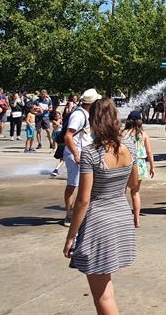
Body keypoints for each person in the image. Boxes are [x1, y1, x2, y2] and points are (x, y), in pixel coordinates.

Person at [63, 98, 137, 315]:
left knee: (101, 296)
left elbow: (83, 200)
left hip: (99, 223)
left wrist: (71, 236)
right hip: (121, 217)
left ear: (93, 120)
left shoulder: (91, 153)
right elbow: (134, 184)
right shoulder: (129, 146)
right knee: (106, 287)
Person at [62, 89, 102, 227]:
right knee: (73, 184)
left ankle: (82, 212)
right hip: (76, 154)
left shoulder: (87, 113)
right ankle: (69, 214)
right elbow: (68, 136)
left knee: (86, 185)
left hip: (85, 154)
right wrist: (76, 155)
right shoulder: (78, 115)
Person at [123, 111, 154, 227]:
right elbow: (149, 152)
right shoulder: (144, 134)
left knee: (122, 193)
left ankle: (123, 218)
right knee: (135, 192)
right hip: (140, 164)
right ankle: (137, 219)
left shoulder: (122, 133)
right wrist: (152, 166)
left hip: (125, 163)